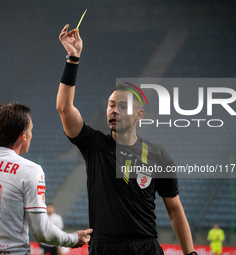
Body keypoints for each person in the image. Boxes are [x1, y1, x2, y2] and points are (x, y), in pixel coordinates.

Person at [56, 24, 196, 255]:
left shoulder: (158, 155)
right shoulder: (95, 145)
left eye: (123, 106)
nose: (114, 110)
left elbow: (174, 211)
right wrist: (72, 58)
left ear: (139, 114)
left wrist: (190, 253)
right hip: (104, 249)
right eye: (111, 105)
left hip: (145, 248)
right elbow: (64, 107)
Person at [0, 102, 92, 255]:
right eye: (31, 130)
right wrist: (73, 239)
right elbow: (41, 231)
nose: (31, 135)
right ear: (23, 135)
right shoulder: (29, 170)